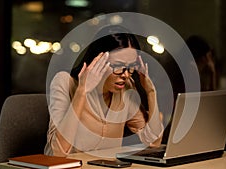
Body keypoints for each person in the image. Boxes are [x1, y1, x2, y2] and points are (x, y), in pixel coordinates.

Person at [44, 25, 164, 157]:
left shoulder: (126, 88)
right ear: (97, 60)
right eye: (118, 66)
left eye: (130, 67)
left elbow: (153, 142)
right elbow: (57, 153)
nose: (125, 75)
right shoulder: (64, 82)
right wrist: (82, 92)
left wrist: (151, 92)